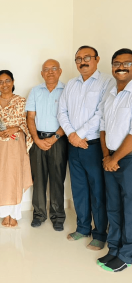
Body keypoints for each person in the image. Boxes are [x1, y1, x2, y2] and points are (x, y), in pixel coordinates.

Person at [58, 45, 115, 250]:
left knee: (98, 190)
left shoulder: (107, 81)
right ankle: (83, 228)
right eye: (78, 59)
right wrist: (72, 136)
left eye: (87, 57)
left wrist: (78, 134)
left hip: (93, 146)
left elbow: (102, 113)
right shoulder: (71, 84)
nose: (82, 61)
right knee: (79, 189)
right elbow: (61, 111)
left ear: (97, 59)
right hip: (73, 145)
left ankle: (100, 233)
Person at [97, 48, 132, 272]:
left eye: (126, 63)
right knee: (114, 206)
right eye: (116, 63)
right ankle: (114, 248)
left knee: (129, 208)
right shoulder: (111, 90)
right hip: (109, 157)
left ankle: (127, 255)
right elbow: (102, 126)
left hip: (128, 159)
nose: (120, 67)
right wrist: (106, 156)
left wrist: (115, 157)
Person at [0, 70, 33, 227]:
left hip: (15, 144)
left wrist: (15, 128)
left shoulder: (21, 101)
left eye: (7, 81)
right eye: (0, 81)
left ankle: (15, 215)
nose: (4, 84)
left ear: (13, 82)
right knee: (1, 178)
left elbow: (26, 123)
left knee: (15, 177)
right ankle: (4, 214)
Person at [26, 59, 67, 231]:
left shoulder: (67, 90)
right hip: (38, 140)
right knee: (39, 179)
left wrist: (55, 137)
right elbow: (30, 118)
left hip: (58, 140)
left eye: (54, 69)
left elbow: (70, 118)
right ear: (41, 73)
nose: (50, 72)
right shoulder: (35, 91)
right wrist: (36, 140)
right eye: (46, 70)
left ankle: (58, 217)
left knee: (57, 179)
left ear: (60, 71)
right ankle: (39, 214)